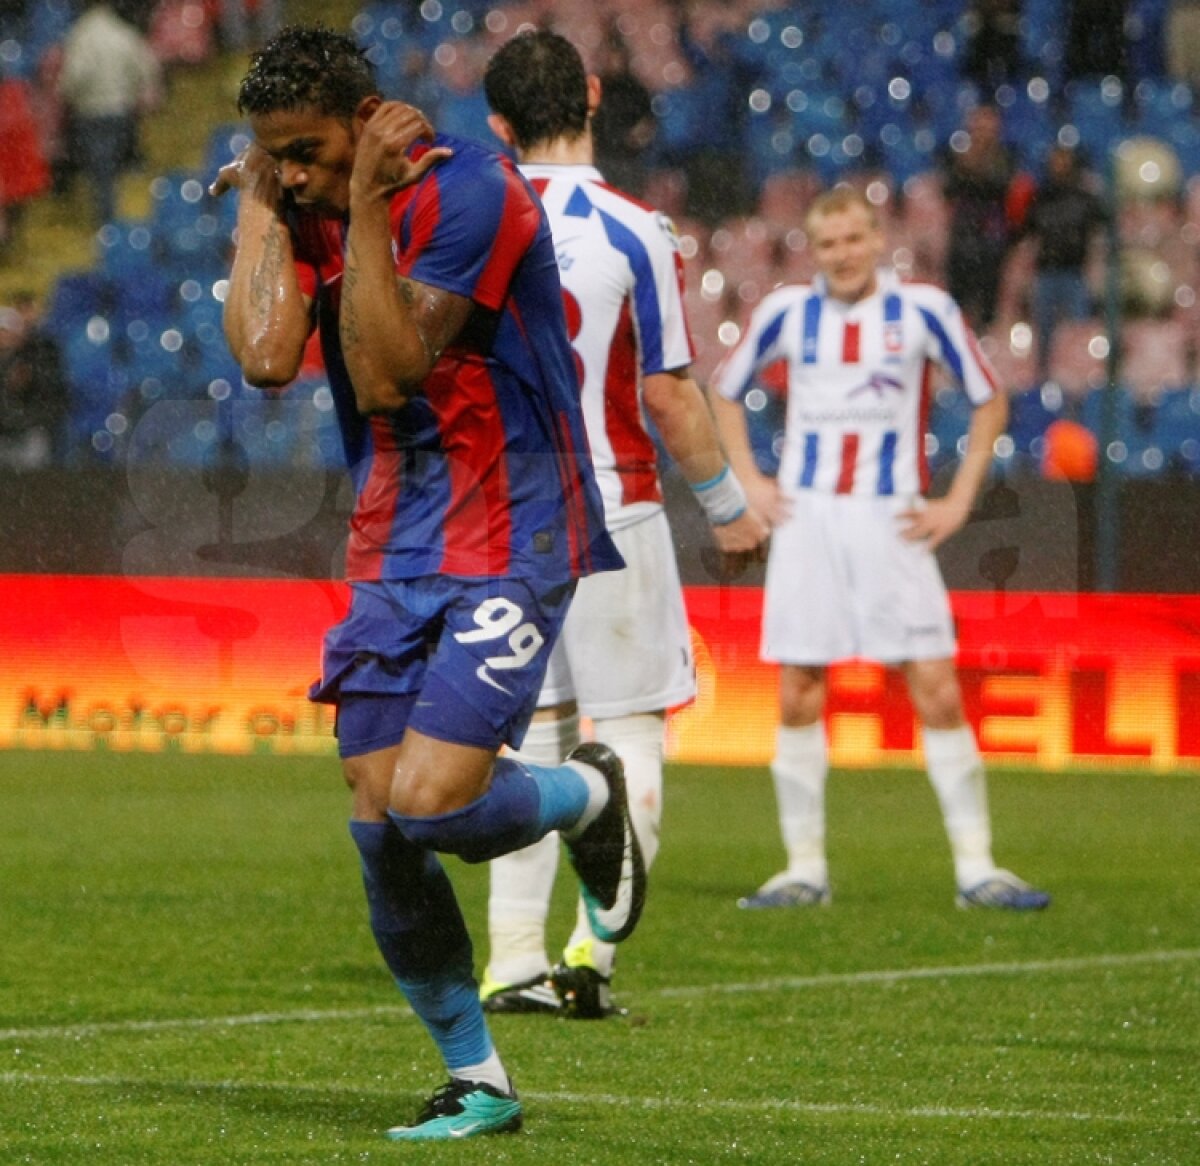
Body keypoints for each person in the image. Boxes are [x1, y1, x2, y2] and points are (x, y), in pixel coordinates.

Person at [211, 25, 645, 1141]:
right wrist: (263, 205)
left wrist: (352, 208)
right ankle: (481, 1078)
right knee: (378, 824)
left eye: (304, 152)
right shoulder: (294, 197)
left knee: (430, 800)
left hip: (517, 525)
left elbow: (392, 361)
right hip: (392, 537)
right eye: (275, 156)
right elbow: (264, 358)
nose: (295, 172)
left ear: (363, 123)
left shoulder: (477, 194)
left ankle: (587, 797)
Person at [479, 29, 769, 1019]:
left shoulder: (468, 220)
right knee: (632, 724)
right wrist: (731, 507)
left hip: (501, 514)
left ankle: (511, 963)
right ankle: (590, 960)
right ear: (595, 96)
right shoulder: (635, 228)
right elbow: (670, 394)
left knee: (530, 739)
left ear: (497, 125)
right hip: (612, 502)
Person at [709, 185, 1051, 913]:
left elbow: (989, 396)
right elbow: (724, 390)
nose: (842, 254)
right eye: (828, 244)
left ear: (877, 238)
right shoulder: (787, 312)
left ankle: (977, 869)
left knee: (935, 684)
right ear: (813, 248)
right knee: (800, 688)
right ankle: (803, 870)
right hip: (807, 518)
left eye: (854, 239)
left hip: (891, 519)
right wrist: (748, 480)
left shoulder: (923, 310)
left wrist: (959, 499)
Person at [58, 0, 162, 226]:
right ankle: (124, 221)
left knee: (101, 171)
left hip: (91, 112)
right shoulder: (122, 31)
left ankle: (108, 222)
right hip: (121, 110)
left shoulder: (81, 35)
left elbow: (75, 75)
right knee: (118, 168)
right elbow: (146, 65)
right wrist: (137, 91)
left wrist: (67, 95)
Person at [1021, 144, 1107, 379]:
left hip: (1074, 274)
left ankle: (1080, 381)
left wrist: (1094, 274)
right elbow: (1028, 239)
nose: (1059, 163)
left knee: (1078, 335)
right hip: (1046, 273)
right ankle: (1043, 384)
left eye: (1064, 158)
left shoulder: (1085, 197)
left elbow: (1098, 236)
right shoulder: (1042, 197)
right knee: (1043, 337)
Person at [941, 103, 1019, 332]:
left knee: (988, 308)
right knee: (957, 306)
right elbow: (950, 190)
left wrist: (974, 170)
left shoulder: (1005, 157)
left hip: (991, 242)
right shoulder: (957, 156)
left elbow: (1000, 187)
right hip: (962, 240)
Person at [0, 292, 69, 469]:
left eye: (7, 330)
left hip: (31, 431)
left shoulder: (41, 353)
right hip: (6, 432)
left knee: (34, 475)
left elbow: (53, 395)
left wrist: (27, 382)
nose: (4, 336)